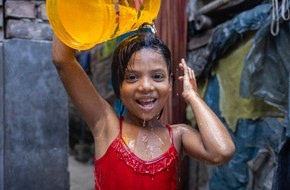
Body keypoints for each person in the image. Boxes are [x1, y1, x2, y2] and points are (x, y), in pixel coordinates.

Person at [52, 29, 235, 190]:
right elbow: (62, 59)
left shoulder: (179, 137)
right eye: (132, 77)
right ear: (119, 87)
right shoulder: (106, 125)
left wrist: (193, 97)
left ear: (170, 83)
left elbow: (222, 151)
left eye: (157, 76)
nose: (146, 86)